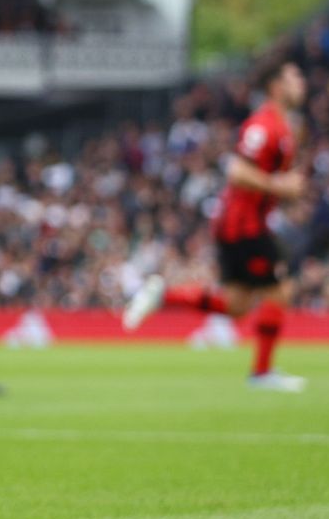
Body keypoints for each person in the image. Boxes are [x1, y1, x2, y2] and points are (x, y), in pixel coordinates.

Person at [124, 59, 309, 391]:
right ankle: (262, 373)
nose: (302, 83)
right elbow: (237, 171)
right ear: (276, 86)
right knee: (280, 289)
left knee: (237, 305)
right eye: (295, 77)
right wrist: (281, 186)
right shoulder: (263, 125)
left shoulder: (282, 125)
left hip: (243, 223)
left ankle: (165, 294)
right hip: (244, 225)